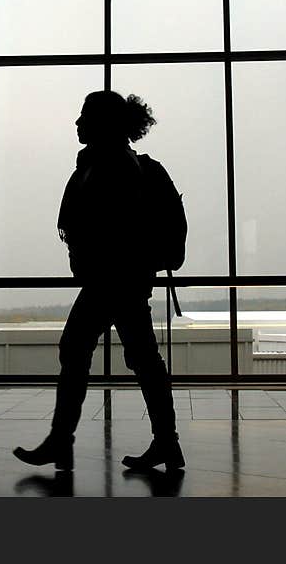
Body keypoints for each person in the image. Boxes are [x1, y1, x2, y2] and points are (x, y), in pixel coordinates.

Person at [13, 90, 184, 472]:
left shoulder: (109, 166)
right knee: (140, 358)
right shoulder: (118, 164)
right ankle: (166, 443)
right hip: (124, 279)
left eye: (83, 116)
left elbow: (106, 228)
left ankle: (63, 440)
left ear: (101, 123)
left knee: (78, 349)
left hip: (112, 280)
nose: (77, 123)